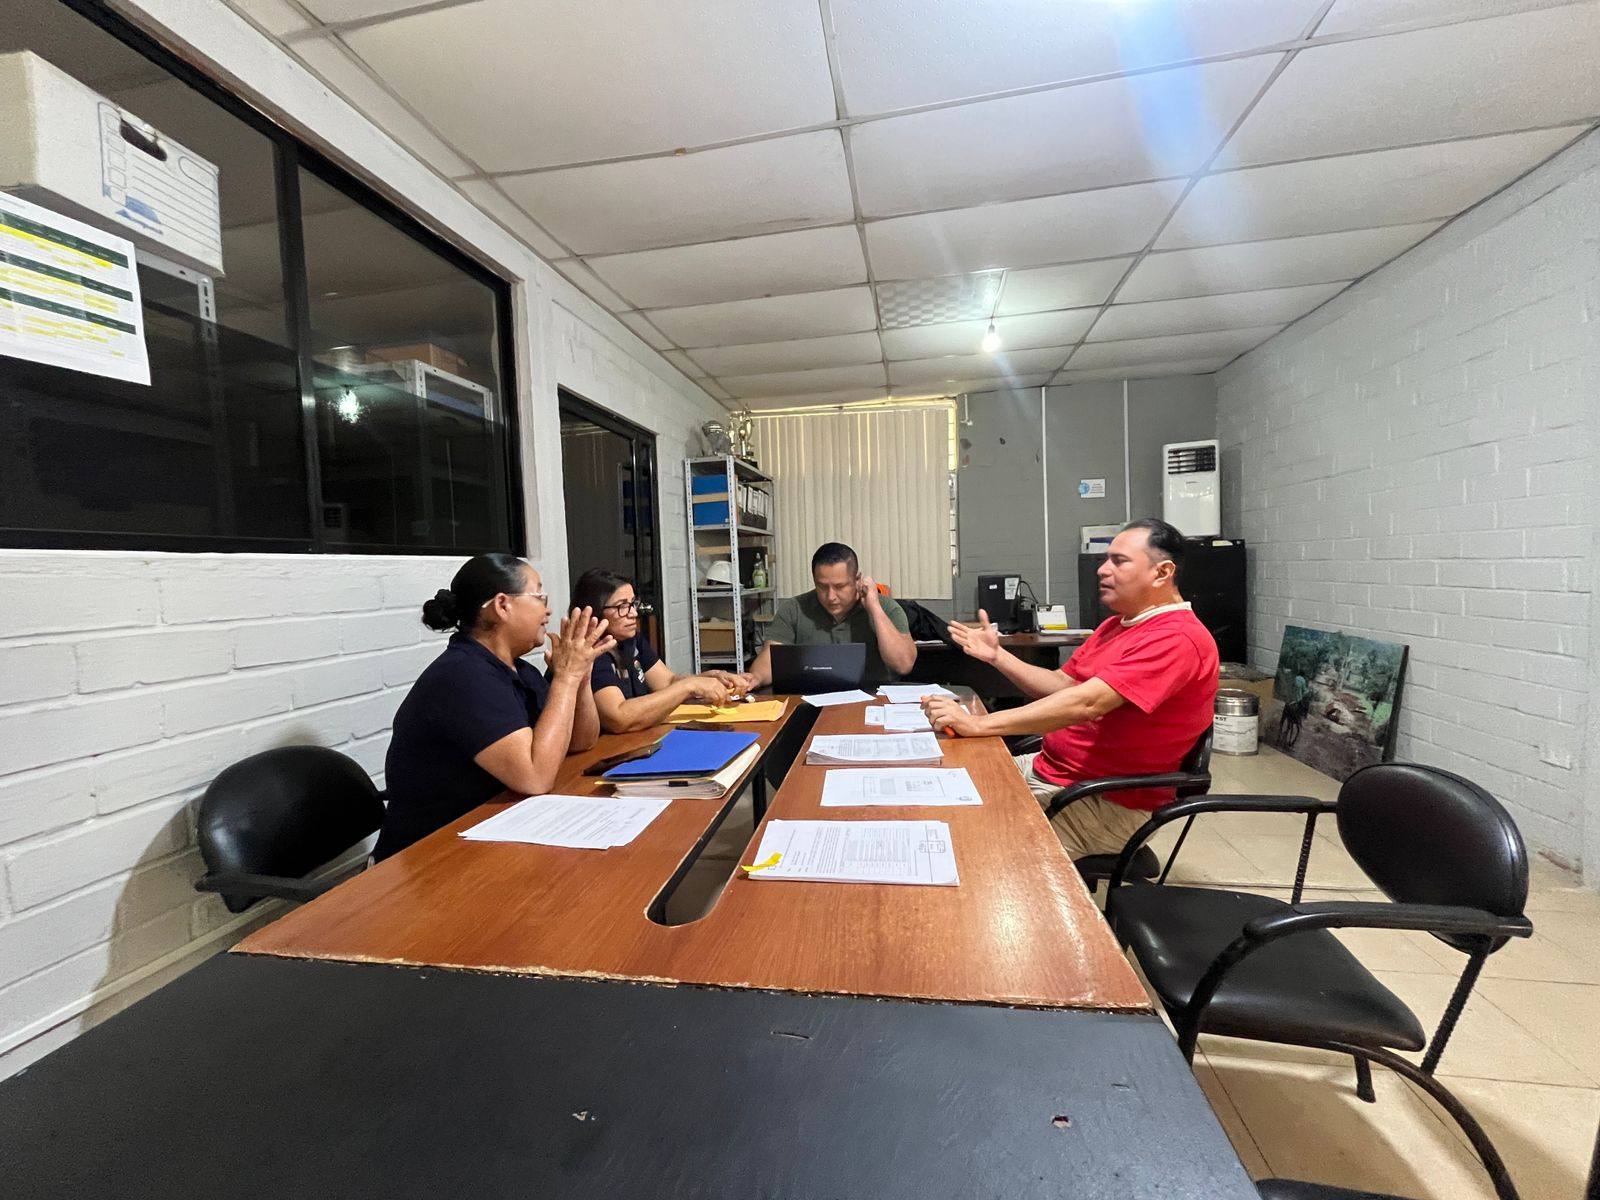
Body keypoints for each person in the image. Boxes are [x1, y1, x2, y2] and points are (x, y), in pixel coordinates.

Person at [923, 518, 1218, 859]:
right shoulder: (1116, 625)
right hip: (1053, 769)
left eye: (1119, 561)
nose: (1102, 570)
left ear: (1162, 572)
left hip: (1105, 801)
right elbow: (1062, 685)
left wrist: (978, 723)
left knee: (974, 847)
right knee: (945, 793)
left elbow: (1087, 703)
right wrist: (998, 656)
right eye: (1106, 560)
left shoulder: (1177, 638)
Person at [373, 553, 614, 861]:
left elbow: (582, 741)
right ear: (502, 605)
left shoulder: (520, 671)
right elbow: (535, 777)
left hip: (495, 832)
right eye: (539, 596)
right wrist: (565, 678)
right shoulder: (462, 675)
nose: (548, 609)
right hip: (430, 855)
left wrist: (581, 677)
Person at [571, 567, 756, 733]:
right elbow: (619, 717)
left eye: (633, 604)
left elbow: (667, 682)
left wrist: (710, 678)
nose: (633, 613)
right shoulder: (588, 653)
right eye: (622, 606)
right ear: (594, 612)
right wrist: (690, 686)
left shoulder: (630, 640)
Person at [746, 541, 918, 688]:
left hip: (874, 700)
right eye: (822, 587)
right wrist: (754, 679)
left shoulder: (886, 608)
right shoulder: (794, 609)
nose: (831, 596)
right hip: (812, 698)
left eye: (840, 586)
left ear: (857, 580)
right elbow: (770, 660)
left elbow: (904, 665)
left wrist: (875, 608)